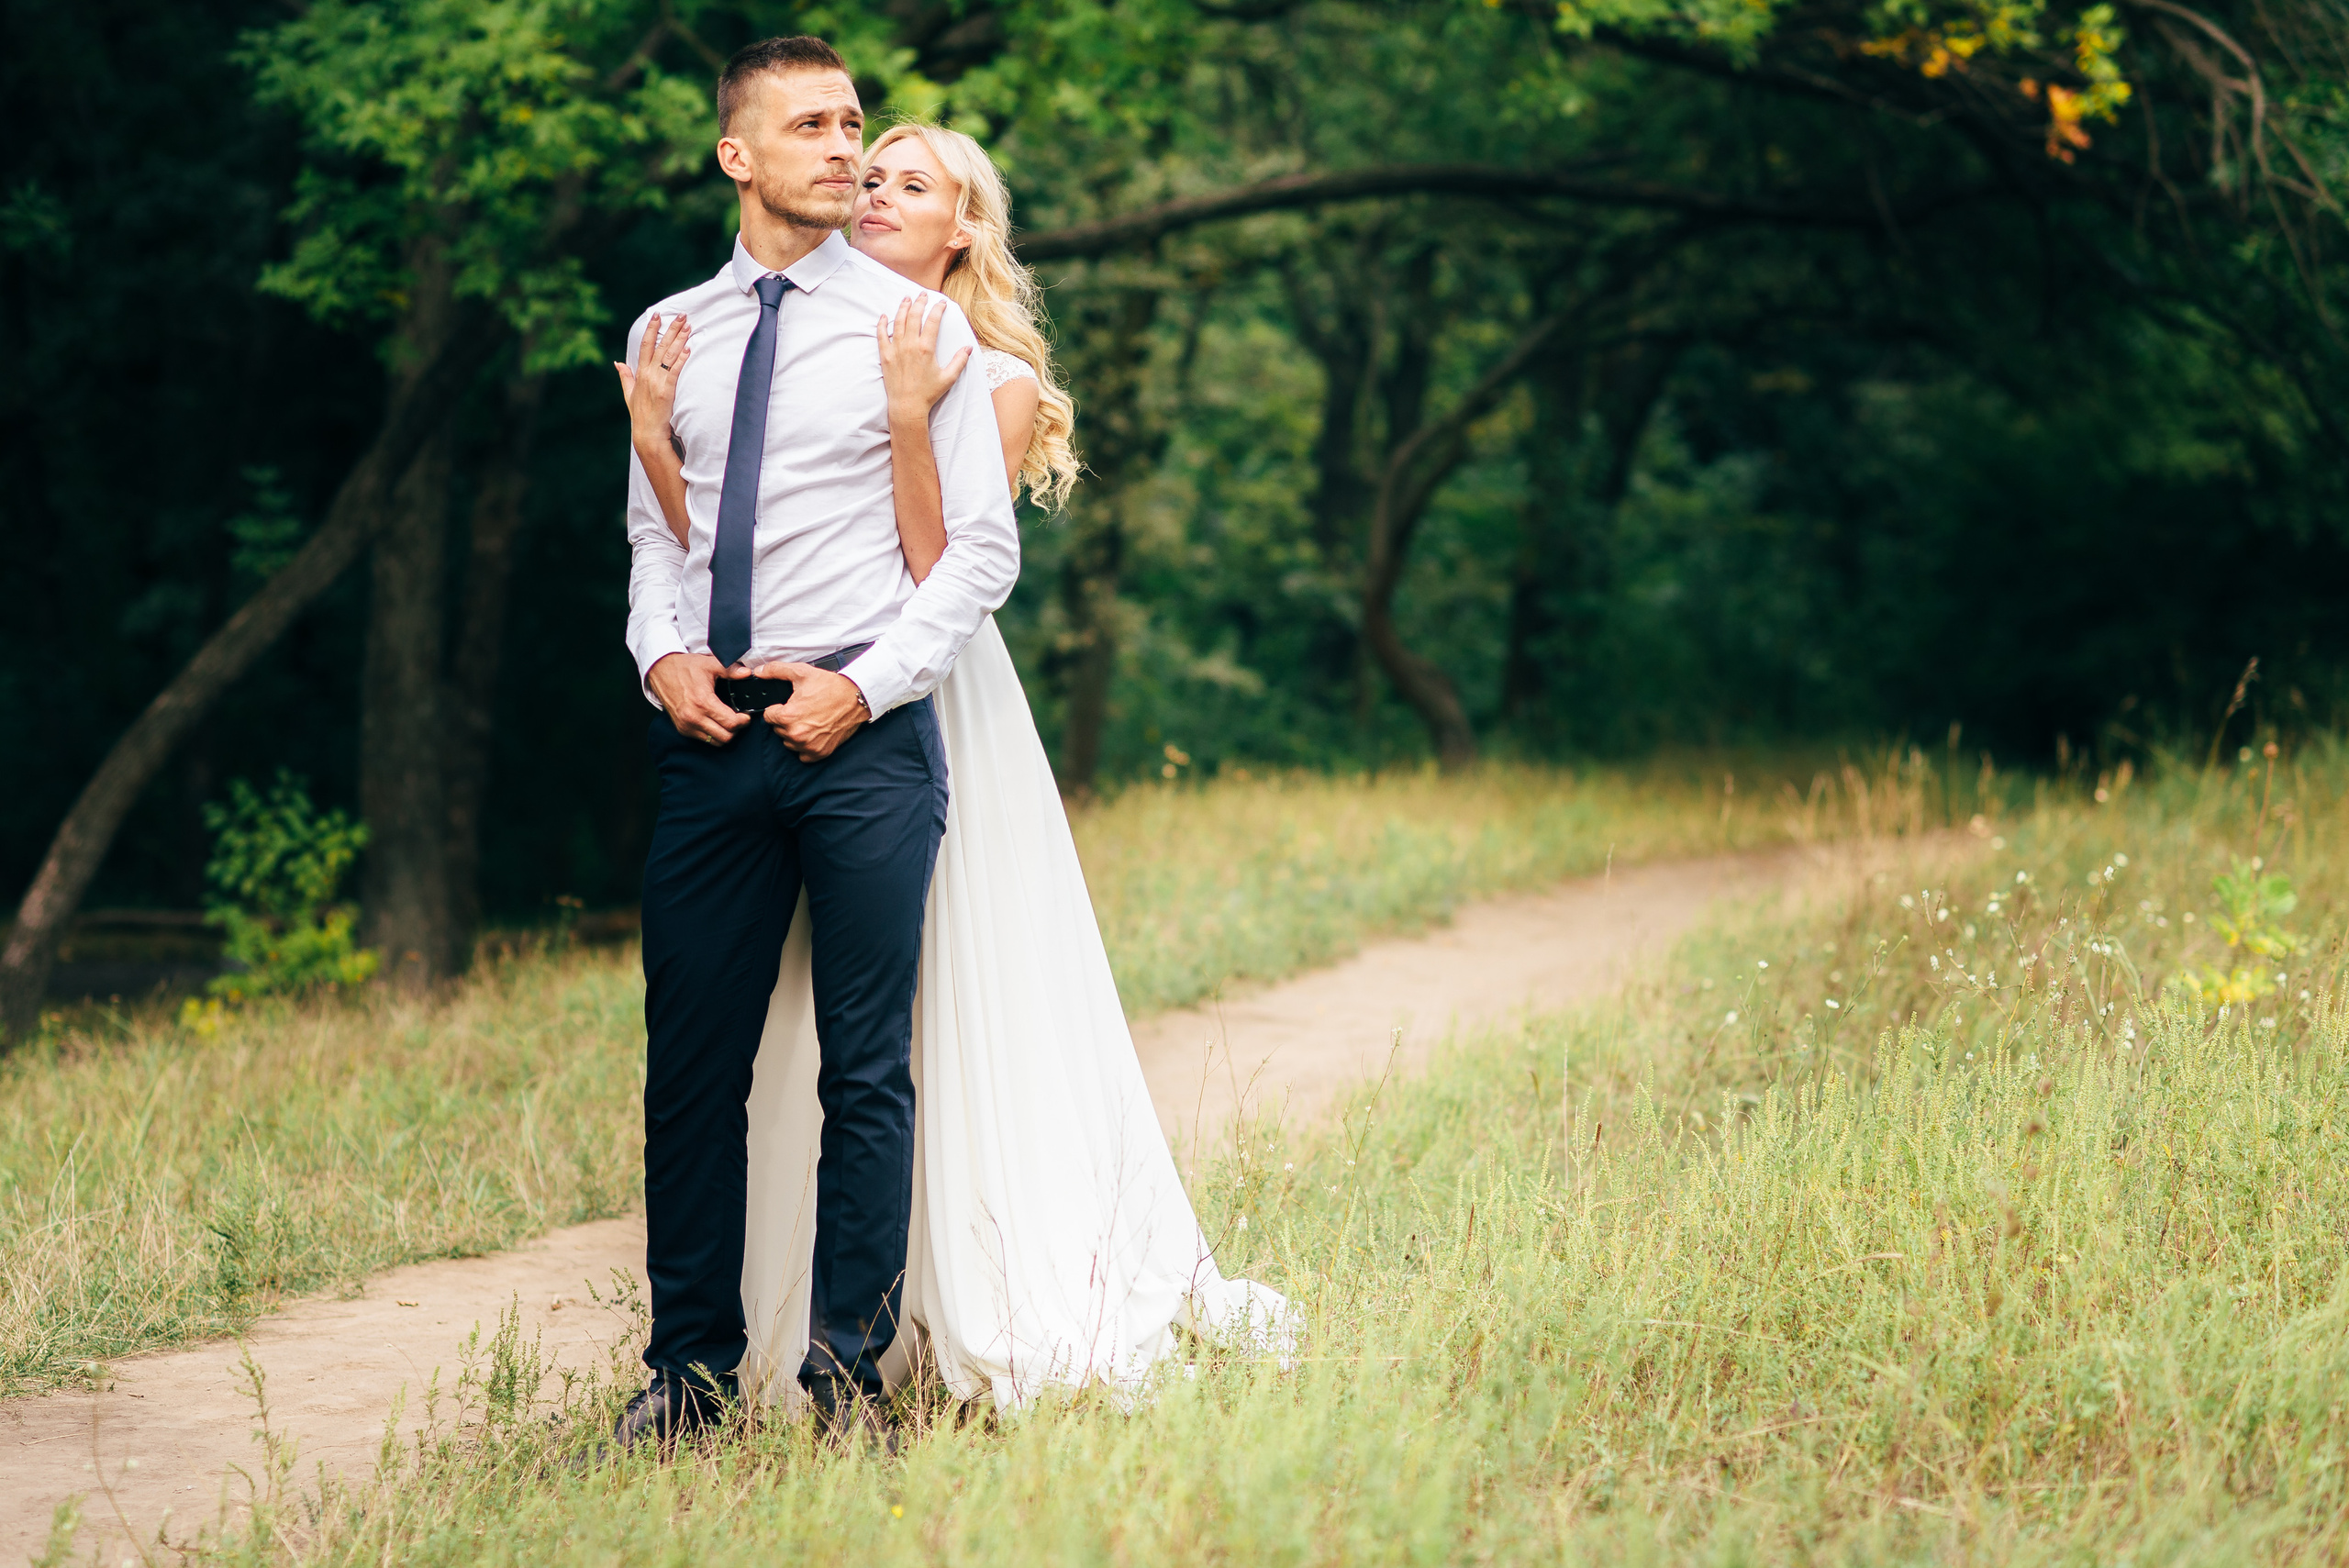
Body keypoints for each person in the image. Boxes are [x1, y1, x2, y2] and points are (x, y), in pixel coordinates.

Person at [622, 121, 1293, 1423]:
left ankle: (927, 1300)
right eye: (867, 172)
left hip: (927, 688)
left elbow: (944, 572)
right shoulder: (773, 331)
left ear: (963, 230)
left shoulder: (982, 372)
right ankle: (750, 1331)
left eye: (908, 183)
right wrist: (656, 442)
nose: (873, 190)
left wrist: (905, 416)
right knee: (795, 1018)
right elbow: (719, 548)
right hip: (786, 701)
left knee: (925, 1009)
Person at [612, 36, 1019, 1451]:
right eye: (813, 126)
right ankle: (687, 1373)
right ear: (739, 156)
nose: (847, 148)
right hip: (710, 740)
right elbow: (655, 535)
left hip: (865, 736)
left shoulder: (926, 335)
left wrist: (871, 686)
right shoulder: (670, 331)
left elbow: (980, 554)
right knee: (691, 1063)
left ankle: (848, 1375)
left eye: (856, 125)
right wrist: (659, 653)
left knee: (867, 1066)